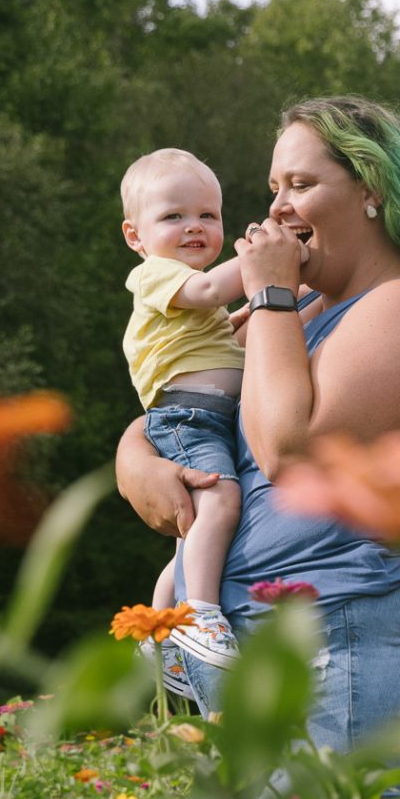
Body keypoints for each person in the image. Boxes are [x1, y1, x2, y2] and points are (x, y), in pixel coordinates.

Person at [115, 97, 400, 747]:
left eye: (300, 184)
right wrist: (136, 460)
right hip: (249, 647)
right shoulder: (292, 318)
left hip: (353, 621)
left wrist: (267, 294)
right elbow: (181, 403)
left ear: (371, 190)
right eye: (274, 188)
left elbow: (289, 456)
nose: (276, 209)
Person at [121, 146, 290, 668]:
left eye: (207, 216)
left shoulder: (194, 300)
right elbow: (214, 287)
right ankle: (201, 614)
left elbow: (225, 326)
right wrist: (267, 260)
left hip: (206, 416)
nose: (194, 227)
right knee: (219, 504)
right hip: (186, 416)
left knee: (193, 532)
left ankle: (159, 631)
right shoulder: (159, 275)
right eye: (173, 216)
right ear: (136, 237)